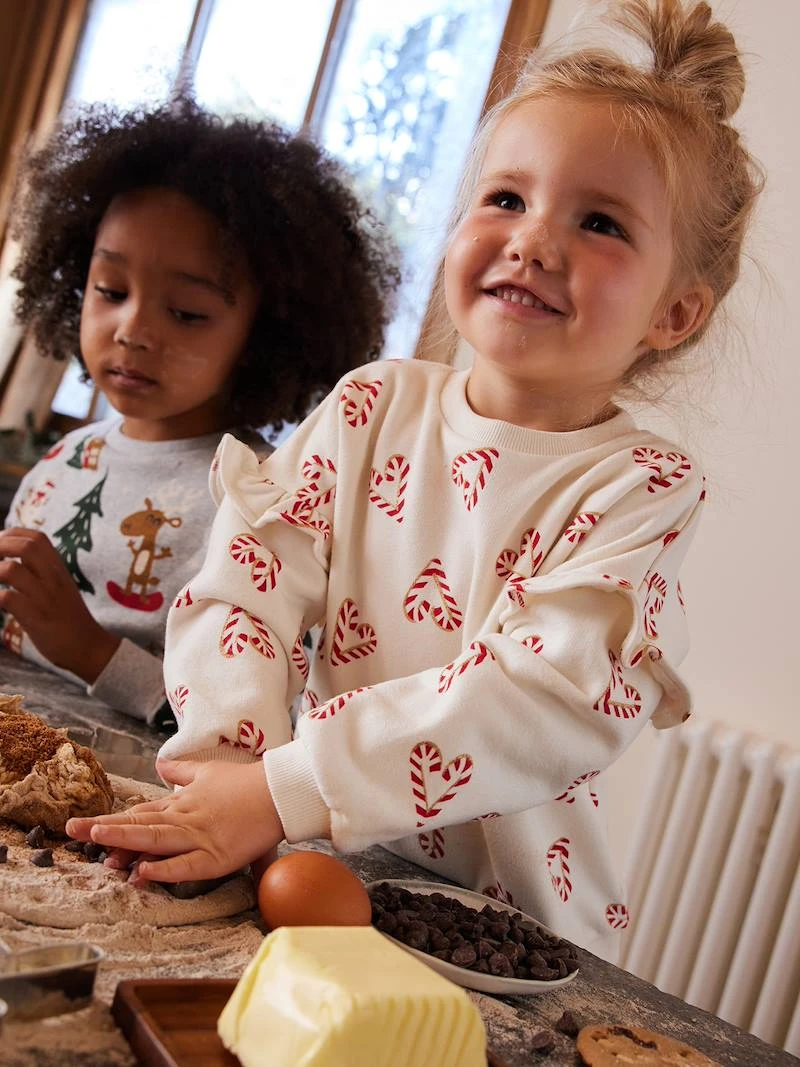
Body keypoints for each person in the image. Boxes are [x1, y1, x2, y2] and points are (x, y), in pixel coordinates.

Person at [68, 0, 762, 953]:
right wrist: (232, 767)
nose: (533, 241)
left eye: (599, 221)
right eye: (507, 198)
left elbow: (535, 696)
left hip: (499, 934)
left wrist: (284, 790)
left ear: (674, 313)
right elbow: (245, 584)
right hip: (302, 858)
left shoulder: (640, 486)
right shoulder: (371, 408)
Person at [0, 98, 398, 727]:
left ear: (263, 337)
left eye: (186, 312)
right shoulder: (62, 464)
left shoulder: (260, 503)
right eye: (110, 291)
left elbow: (242, 721)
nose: (132, 330)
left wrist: (89, 652)